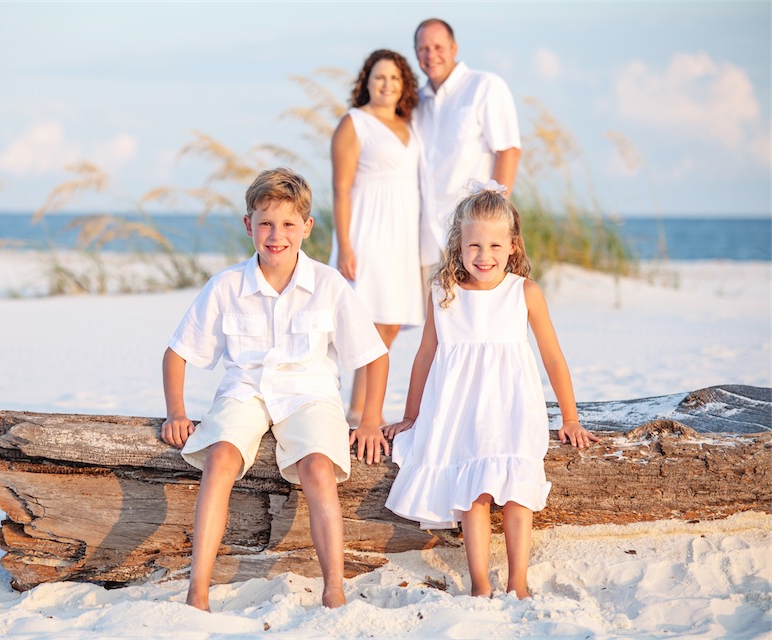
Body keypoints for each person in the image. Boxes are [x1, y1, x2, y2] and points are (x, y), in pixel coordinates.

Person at [161, 167, 391, 612]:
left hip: (310, 394)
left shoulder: (328, 285)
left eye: (288, 224)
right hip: (245, 391)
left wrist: (370, 420)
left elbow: (373, 355)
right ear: (249, 225)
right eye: (265, 223)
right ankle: (198, 592)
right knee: (221, 458)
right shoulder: (226, 286)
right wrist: (176, 412)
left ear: (307, 227)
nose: (276, 235)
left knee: (318, 468)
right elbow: (177, 352)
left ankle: (334, 589)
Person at [383, 181, 598, 599]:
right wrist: (412, 415)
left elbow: (554, 358)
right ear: (458, 246)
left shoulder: (525, 293)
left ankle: (518, 581)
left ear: (513, 246)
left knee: (518, 491)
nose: (485, 256)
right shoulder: (444, 294)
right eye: (475, 246)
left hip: (512, 407)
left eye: (496, 246)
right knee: (472, 493)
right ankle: (480, 583)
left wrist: (569, 417)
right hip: (459, 410)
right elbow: (425, 356)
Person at [330, 49, 425, 425]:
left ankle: (361, 406)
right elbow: (340, 188)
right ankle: (362, 409)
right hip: (367, 229)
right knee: (365, 320)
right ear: (366, 81)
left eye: (395, 78)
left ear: (404, 86)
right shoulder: (354, 122)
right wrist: (345, 246)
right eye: (380, 77)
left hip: (401, 233)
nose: (387, 84)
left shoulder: (410, 124)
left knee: (390, 322)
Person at [413, 17, 522, 271]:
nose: (431, 55)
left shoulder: (484, 86)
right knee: (429, 310)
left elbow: (508, 151)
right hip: (425, 239)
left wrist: (491, 222)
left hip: (471, 236)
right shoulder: (416, 102)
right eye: (423, 49)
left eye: (438, 47)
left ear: (454, 48)